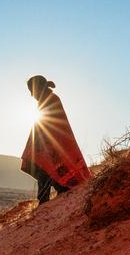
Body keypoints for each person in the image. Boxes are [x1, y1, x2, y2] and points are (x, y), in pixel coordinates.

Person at [21, 75, 91, 204]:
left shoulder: (51, 99)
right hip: (48, 145)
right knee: (43, 168)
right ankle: (49, 197)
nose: (31, 95)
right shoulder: (47, 99)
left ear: (38, 88)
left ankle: (47, 200)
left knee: (45, 168)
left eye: (32, 91)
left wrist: (39, 142)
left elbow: (50, 124)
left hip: (53, 144)